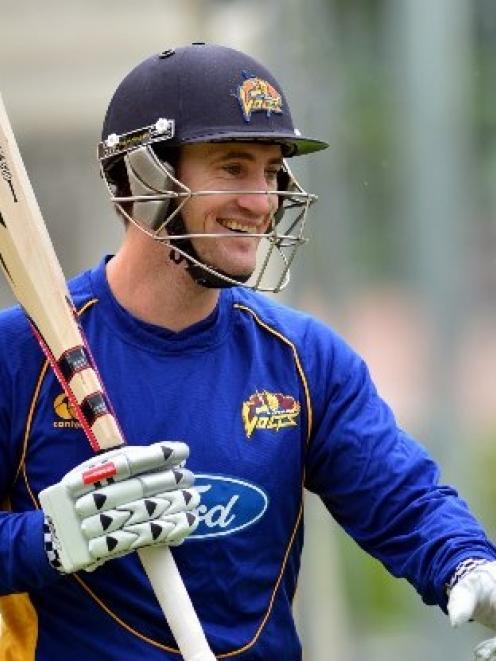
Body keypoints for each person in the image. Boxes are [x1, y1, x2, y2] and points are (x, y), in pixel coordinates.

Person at [0, 42, 496, 661]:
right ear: (145, 177)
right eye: (234, 168)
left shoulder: (304, 358)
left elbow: (405, 500)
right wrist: (48, 540)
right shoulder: (21, 353)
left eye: (271, 171)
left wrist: (469, 565)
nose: (262, 201)